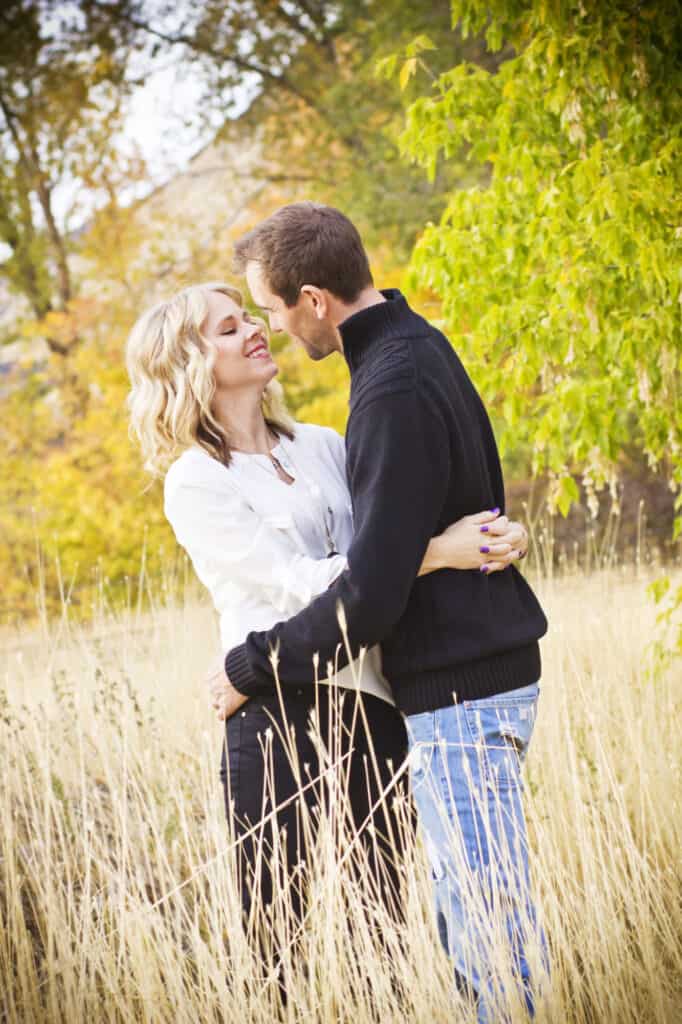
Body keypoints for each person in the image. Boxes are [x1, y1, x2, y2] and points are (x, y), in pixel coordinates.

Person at [209, 203, 549, 1020]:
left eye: (273, 309)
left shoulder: (389, 384)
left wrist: (253, 665)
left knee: (488, 937)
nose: (275, 328)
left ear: (315, 301)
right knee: (479, 917)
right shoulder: (412, 347)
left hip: (461, 693)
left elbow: (372, 592)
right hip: (469, 683)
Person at [125, 281, 528, 930]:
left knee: (383, 935)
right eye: (228, 329)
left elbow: (389, 538)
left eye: (250, 317)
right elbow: (296, 581)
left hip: (376, 708)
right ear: (188, 364)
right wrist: (435, 552)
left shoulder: (324, 446)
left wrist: (490, 535)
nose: (256, 329)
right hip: (277, 715)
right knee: (276, 944)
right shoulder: (197, 480)